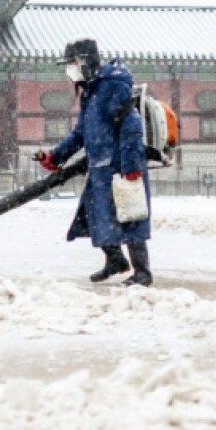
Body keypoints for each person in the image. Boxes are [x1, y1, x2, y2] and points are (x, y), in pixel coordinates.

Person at [34, 38, 153, 286]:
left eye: (73, 63)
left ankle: (142, 272)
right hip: (101, 166)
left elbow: (130, 124)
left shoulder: (112, 86)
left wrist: (131, 166)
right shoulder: (92, 90)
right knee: (95, 213)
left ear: (86, 62)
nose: (70, 70)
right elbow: (81, 133)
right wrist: (55, 156)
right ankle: (115, 261)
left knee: (130, 215)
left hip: (120, 165)